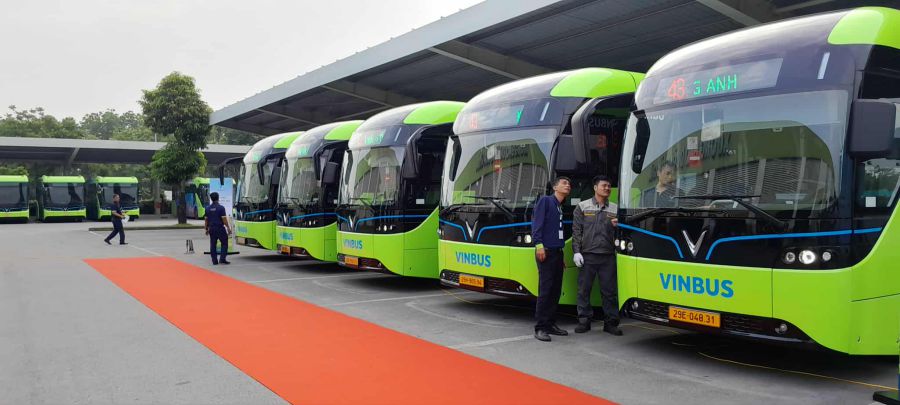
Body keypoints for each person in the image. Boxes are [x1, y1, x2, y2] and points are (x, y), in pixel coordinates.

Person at [572, 175, 622, 336]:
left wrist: (618, 226)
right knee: (583, 290)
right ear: (595, 187)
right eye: (603, 185)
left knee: (609, 292)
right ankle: (584, 321)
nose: (607, 188)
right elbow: (577, 231)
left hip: (608, 256)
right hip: (588, 255)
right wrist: (576, 252)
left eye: (609, 186)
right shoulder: (582, 207)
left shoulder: (615, 209)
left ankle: (611, 323)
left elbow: (622, 232)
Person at [531, 176, 571, 342]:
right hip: (545, 251)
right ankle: (540, 327)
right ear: (555, 187)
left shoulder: (559, 206)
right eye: (564, 183)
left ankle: (550, 323)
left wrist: (560, 254)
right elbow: (537, 223)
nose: (568, 185)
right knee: (546, 290)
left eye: (569, 184)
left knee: (555, 291)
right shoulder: (546, 201)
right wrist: (539, 245)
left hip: (556, 252)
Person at [205, 192, 232, 265]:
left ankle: (214, 261)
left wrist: (206, 229)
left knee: (213, 244)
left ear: (211, 199)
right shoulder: (221, 208)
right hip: (220, 228)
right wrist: (228, 228)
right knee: (224, 242)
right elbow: (224, 219)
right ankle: (222, 259)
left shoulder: (207, 208)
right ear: (218, 198)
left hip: (212, 229)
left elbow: (206, 220)